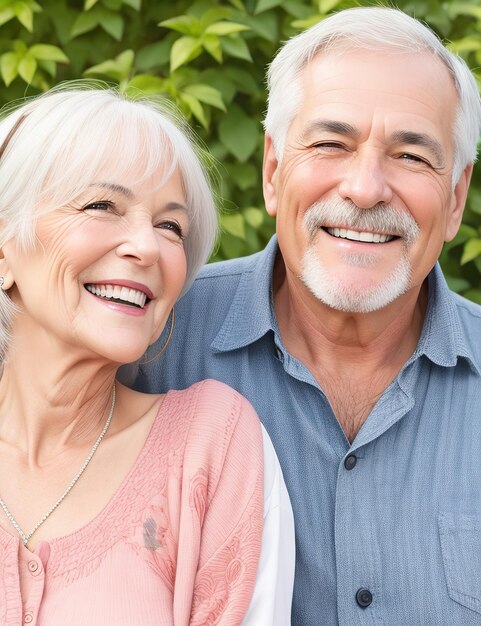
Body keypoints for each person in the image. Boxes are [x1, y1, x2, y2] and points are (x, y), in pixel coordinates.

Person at [124, 6, 481, 625]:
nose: (365, 189)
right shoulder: (146, 346)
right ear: (271, 171)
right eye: (330, 144)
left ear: (454, 200)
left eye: (411, 156)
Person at [0, 84, 294, 625]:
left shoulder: (211, 444)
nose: (147, 247)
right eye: (101, 206)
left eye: (170, 227)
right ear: (4, 249)